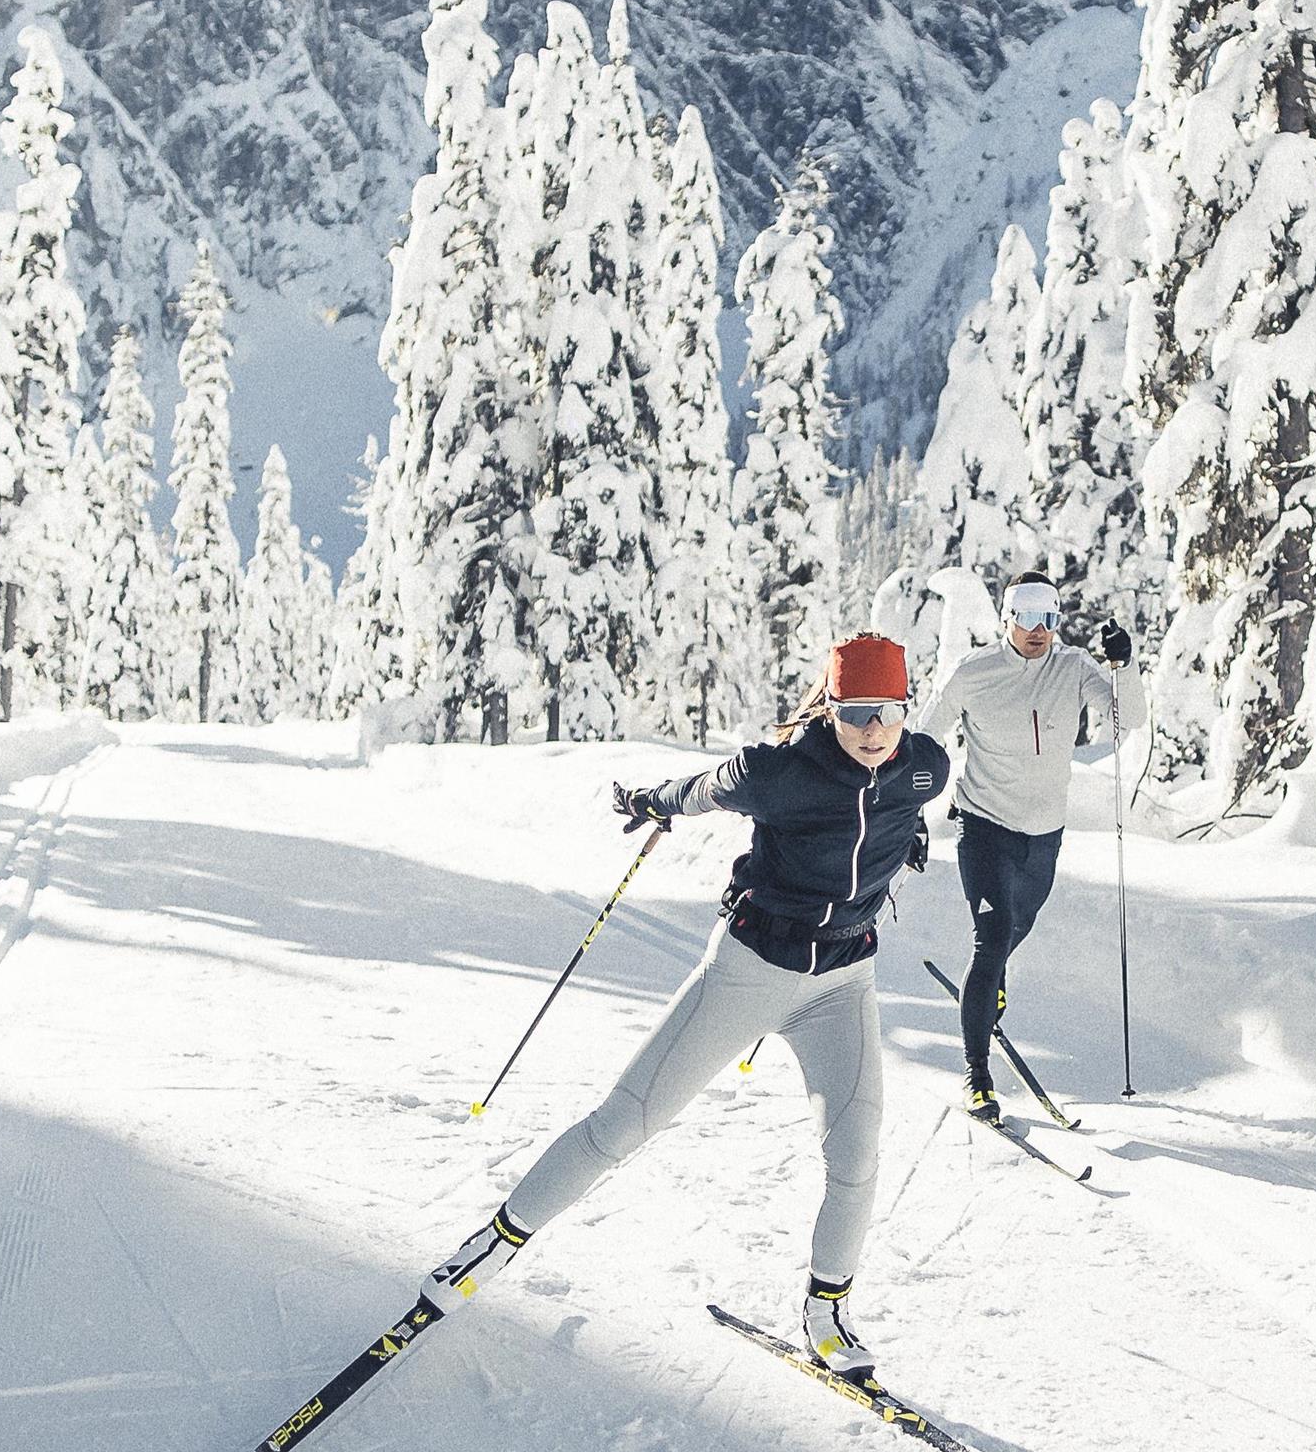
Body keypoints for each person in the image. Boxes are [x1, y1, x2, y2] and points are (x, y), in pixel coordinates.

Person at [418, 634, 950, 1379]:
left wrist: (909, 837)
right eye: (856, 710)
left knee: (856, 1153)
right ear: (831, 709)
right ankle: (496, 1241)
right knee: (625, 1122)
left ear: (905, 709)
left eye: (887, 711)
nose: (872, 728)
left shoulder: (924, 765)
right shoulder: (779, 774)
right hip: (751, 969)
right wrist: (649, 801)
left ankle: (827, 1309)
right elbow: (701, 788)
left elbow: (905, 806)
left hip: (843, 983)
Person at [917, 570, 1148, 1121]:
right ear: (1006, 618)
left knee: (1019, 925)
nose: (1039, 630)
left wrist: (1125, 666)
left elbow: (1128, 719)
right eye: (1027, 616)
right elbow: (926, 743)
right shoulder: (974, 672)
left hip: (1045, 832)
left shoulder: (1072, 668)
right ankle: (977, 1072)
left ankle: (989, 985)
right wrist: (908, 815)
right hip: (983, 826)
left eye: (1050, 618)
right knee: (992, 937)